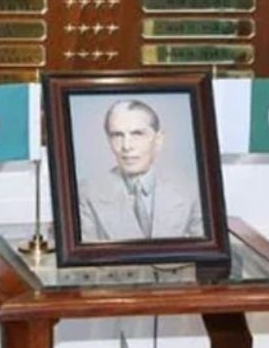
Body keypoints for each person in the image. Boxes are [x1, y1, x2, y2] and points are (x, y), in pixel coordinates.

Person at [77, 99, 204, 242]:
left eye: (137, 134)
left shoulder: (190, 191)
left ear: (158, 139)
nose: (126, 146)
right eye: (117, 135)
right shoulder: (86, 193)